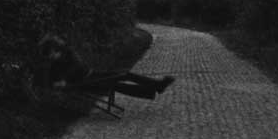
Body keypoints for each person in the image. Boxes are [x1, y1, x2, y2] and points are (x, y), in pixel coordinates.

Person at [37, 34, 175, 100]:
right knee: (116, 83)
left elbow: (76, 66)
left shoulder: (68, 52)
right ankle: (152, 89)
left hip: (91, 76)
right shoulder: (54, 64)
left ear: (56, 49)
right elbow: (51, 81)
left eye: (52, 54)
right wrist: (59, 83)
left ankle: (155, 86)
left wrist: (64, 79)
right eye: (50, 55)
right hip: (85, 83)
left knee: (125, 74)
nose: (51, 57)